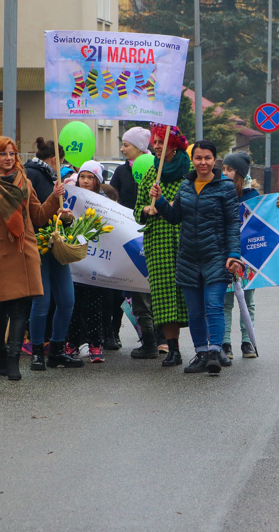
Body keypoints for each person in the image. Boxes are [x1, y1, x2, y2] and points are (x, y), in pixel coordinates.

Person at [0, 136, 66, 381]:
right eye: (3, 154)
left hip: (23, 251)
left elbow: (39, 216)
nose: (9, 158)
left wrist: (54, 197)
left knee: (21, 308)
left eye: (12, 154)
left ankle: (13, 359)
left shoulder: (25, 182)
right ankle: (1, 353)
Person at [148, 140, 242, 375]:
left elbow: (233, 223)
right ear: (193, 160)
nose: (203, 162)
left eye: (207, 158)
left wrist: (233, 254)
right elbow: (175, 216)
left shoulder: (226, 187)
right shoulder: (186, 185)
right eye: (198, 158)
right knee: (195, 311)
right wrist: (159, 200)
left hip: (216, 256)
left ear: (214, 160)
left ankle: (214, 352)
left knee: (213, 306)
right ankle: (201, 353)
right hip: (188, 257)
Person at [133, 124, 191, 367]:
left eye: (161, 142)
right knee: (165, 295)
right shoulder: (150, 173)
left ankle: (208, 346)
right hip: (157, 241)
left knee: (191, 294)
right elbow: (137, 212)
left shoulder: (189, 172)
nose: (156, 146)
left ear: (174, 145)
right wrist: (147, 209)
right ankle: (173, 349)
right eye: (154, 142)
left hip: (185, 239)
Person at [24, 137, 83, 371]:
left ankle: (57, 349)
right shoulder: (32, 175)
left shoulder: (50, 176)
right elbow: (36, 213)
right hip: (39, 244)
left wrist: (65, 217)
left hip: (56, 244)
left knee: (67, 300)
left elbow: (54, 212)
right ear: (53, 159)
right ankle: (37, 351)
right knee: (42, 301)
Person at [220, 152, 279, 359]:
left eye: (229, 170)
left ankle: (247, 342)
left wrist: (277, 208)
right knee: (226, 301)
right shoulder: (219, 192)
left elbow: (265, 221)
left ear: (238, 174)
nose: (224, 173)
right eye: (223, 169)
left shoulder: (252, 196)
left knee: (247, 300)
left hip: (249, 257)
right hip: (226, 253)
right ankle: (225, 343)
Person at [110, 126, 161, 359]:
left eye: (126, 145)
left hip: (154, 234)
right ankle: (149, 340)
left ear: (140, 148)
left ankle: (164, 340)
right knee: (137, 289)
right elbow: (111, 200)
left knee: (158, 290)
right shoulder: (120, 171)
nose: (122, 149)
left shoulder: (158, 168)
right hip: (128, 238)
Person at [65, 160, 114, 364]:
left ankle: (95, 344)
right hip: (75, 262)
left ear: (97, 181)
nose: (85, 181)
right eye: (82, 176)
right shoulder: (71, 198)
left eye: (90, 177)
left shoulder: (104, 201)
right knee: (73, 304)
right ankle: (72, 343)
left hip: (95, 262)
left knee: (94, 305)